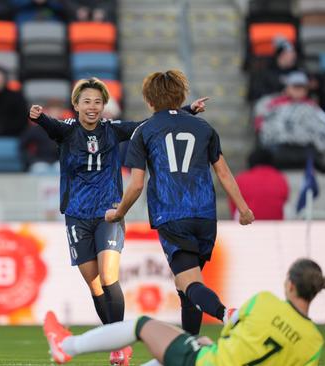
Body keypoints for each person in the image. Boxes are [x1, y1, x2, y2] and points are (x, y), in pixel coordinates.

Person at [29, 77, 208, 365]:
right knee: (95, 283)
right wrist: (38, 117)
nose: (92, 107)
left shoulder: (113, 130)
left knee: (109, 275)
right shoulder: (67, 131)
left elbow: (149, 124)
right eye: (86, 101)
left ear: (104, 106)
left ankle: (120, 345)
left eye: (98, 102)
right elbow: (50, 125)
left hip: (110, 212)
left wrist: (186, 111)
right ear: (76, 105)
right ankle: (115, 338)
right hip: (77, 216)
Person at [105, 70, 254, 339]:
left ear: (149, 100)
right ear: (181, 95)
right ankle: (191, 344)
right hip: (205, 217)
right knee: (186, 288)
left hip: (172, 215)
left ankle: (226, 314)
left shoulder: (145, 131)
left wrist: (119, 213)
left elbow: (137, 184)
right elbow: (223, 173)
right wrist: (243, 208)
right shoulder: (204, 128)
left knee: (190, 283)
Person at [43, 258, 325, 366]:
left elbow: (232, 335)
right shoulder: (314, 342)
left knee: (143, 325)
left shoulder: (266, 302)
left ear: (290, 285)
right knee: (192, 344)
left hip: (209, 363)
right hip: (211, 358)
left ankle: (66, 346)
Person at [256, 71, 325, 168]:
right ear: (287, 88)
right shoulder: (272, 104)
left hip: (305, 148)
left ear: (306, 90)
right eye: (295, 87)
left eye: (301, 87)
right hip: (280, 147)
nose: (298, 90)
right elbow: (263, 126)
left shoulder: (312, 107)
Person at [229, 148, 289, 220]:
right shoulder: (280, 178)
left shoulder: (241, 178)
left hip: (248, 223)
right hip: (275, 222)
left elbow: (233, 206)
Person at [247, 38, 300, 102]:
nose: (294, 57)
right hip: (271, 106)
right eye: (290, 53)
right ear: (281, 54)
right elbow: (255, 94)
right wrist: (281, 94)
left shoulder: (297, 71)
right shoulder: (264, 73)